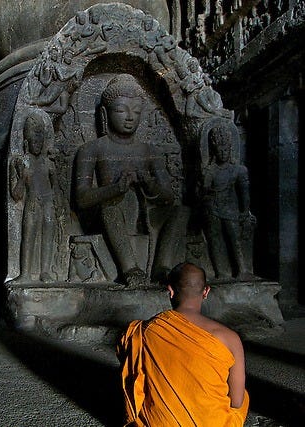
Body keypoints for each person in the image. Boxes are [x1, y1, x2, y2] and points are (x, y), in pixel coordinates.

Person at [117, 262, 249, 426]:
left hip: (161, 422)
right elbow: (236, 401)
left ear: (170, 291)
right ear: (206, 292)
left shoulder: (146, 331)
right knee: (243, 397)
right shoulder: (230, 338)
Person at [74, 74, 173, 288]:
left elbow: (168, 196)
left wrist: (148, 183)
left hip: (144, 213)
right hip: (109, 213)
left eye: (136, 112)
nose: (129, 117)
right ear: (105, 114)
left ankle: (162, 267)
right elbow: (81, 198)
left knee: (181, 212)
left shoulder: (149, 152)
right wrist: (114, 189)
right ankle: (130, 269)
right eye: (121, 110)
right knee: (110, 208)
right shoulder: (93, 149)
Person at [202, 125, 255, 281]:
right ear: (214, 151)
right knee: (215, 240)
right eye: (220, 150)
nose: (223, 153)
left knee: (235, 238)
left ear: (231, 149)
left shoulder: (239, 170)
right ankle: (221, 272)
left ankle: (243, 269)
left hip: (231, 209)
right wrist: (204, 187)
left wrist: (245, 211)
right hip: (213, 209)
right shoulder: (211, 171)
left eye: (226, 150)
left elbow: (245, 193)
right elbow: (203, 192)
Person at [9, 112, 56, 283]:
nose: (38, 145)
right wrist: (22, 178)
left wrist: (55, 173)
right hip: (32, 204)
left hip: (48, 204)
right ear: (26, 143)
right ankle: (25, 274)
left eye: (40, 141)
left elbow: (56, 188)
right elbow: (15, 195)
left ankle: (45, 272)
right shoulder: (20, 162)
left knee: (48, 237)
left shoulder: (48, 163)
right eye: (34, 141)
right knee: (28, 237)